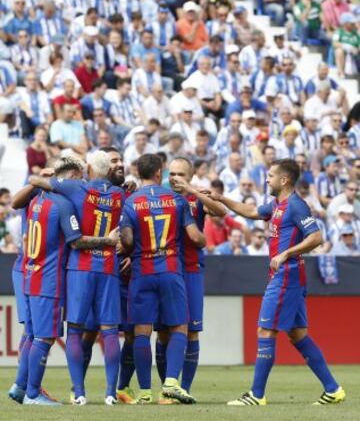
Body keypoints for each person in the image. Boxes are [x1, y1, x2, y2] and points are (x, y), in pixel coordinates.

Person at [209, 158, 345, 406]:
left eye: (270, 175)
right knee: (297, 334)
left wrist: (286, 253)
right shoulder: (277, 205)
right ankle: (333, 389)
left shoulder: (296, 205)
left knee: (265, 330)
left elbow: (316, 237)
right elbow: (250, 211)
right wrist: (221, 199)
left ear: (283, 180)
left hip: (287, 274)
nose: (267, 179)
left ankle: (256, 395)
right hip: (286, 274)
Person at [10, 156, 119, 406]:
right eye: (80, 175)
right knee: (44, 338)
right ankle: (33, 393)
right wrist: (109, 241)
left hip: (27, 271)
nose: (83, 181)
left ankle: (20, 385)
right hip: (49, 278)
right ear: (71, 175)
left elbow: (17, 201)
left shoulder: (35, 199)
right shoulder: (63, 204)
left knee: (32, 333)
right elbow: (76, 241)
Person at [119, 153, 206, 405]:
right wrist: (201, 240)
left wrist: (132, 249)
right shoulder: (177, 201)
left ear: (139, 173)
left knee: (141, 331)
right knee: (180, 326)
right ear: (159, 172)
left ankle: (145, 391)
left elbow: (125, 240)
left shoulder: (132, 202)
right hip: (170, 270)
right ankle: (170, 383)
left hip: (142, 272)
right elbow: (194, 236)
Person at [155, 158, 225, 400]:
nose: (175, 178)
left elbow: (220, 212)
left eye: (181, 174)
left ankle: (184, 387)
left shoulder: (196, 197)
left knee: (192, 332)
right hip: (165, 269)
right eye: (172, 173)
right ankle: (167, 388)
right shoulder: (159, 196)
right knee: (164, 332)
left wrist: (192, 190)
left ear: (191, 176)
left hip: (192, 270)